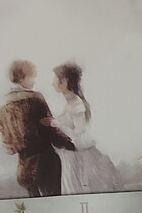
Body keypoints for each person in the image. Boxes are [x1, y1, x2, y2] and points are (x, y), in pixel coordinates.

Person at [0, 60, 75, 197]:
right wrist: (70, 143)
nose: (34, 81)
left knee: (36, 205)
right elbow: (51, 130)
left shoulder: (2, 106)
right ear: (21, 78)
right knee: (53, 202)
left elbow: (6, 142)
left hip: (24, 169)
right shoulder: (35, 98)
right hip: (46, 162)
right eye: (32, 77)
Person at [49, 62, 119, 194]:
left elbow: (79, 135)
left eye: (55, 79)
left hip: (75, 157)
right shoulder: (70, 102)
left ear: (64, 81)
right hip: (69, 156)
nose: (52, 83)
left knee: (74, 189)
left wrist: (56, 124)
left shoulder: (76, 105)